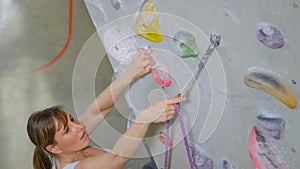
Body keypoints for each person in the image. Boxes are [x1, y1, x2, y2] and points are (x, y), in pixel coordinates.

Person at [27, 49, 184, 169]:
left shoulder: (67, 147)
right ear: (54, 147)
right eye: (67, 130)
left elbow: (97, 111)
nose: (79, 126)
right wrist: (144, 119)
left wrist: (129, 74)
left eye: (72, 119)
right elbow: (116, 159)